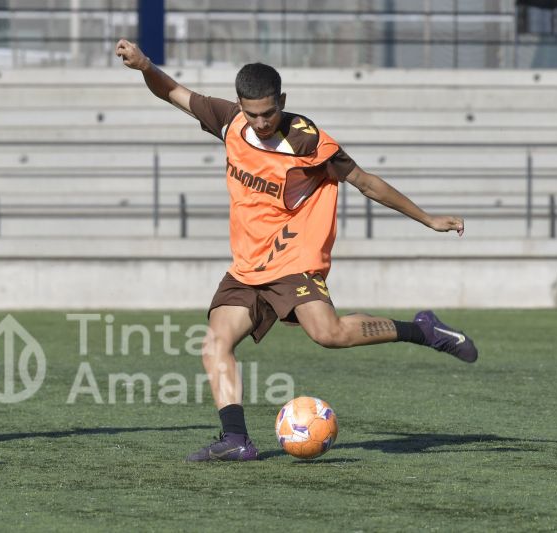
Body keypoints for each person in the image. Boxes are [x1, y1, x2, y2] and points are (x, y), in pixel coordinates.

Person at [115, 39, 479, 462]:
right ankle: (235, 439)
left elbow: (366, 182)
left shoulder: (308, 143)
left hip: (294, 256)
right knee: (215, 343)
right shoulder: (229, 122)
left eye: (269, 112)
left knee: (328, 334)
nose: (262, 121)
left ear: (282, 102)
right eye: (253, 113)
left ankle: (424, 330)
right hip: (248, 265)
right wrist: (144, 66)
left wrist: (428, 218)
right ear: (240, 105)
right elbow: (172, 91)